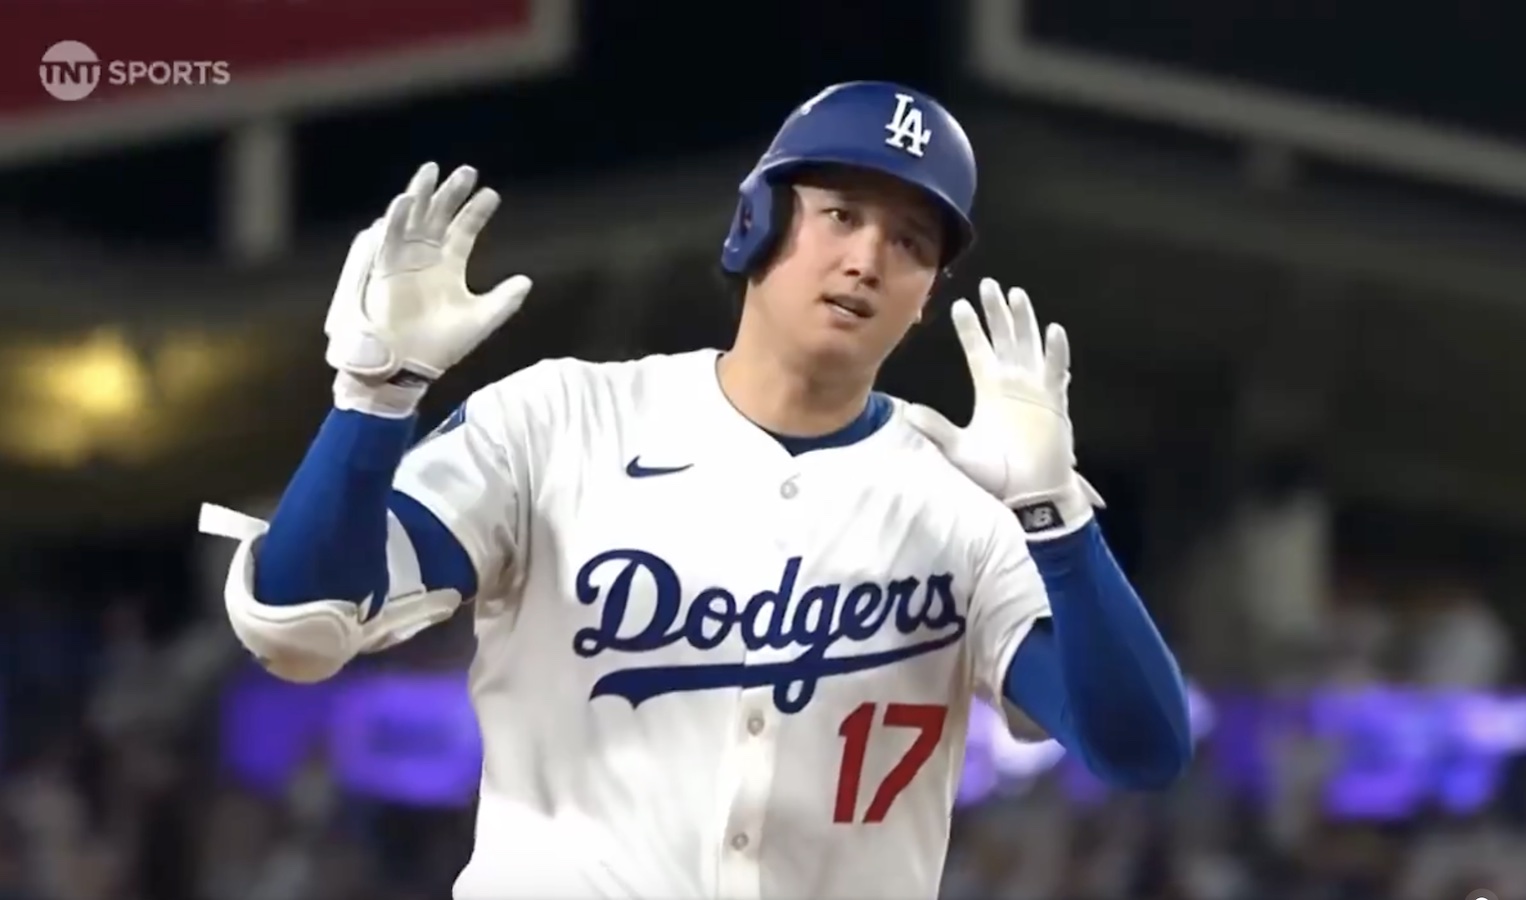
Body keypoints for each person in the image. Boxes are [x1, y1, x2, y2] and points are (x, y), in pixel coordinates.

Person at [198, 81, 1192, 899]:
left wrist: (1057, 522)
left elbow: (1139, 750)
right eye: (841, 214)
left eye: (911, 242)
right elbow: (297, 625)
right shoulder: (561, 422)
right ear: (755, 224)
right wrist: (375, 399)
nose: (866, 260)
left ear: (927, 292)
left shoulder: (961, 500)